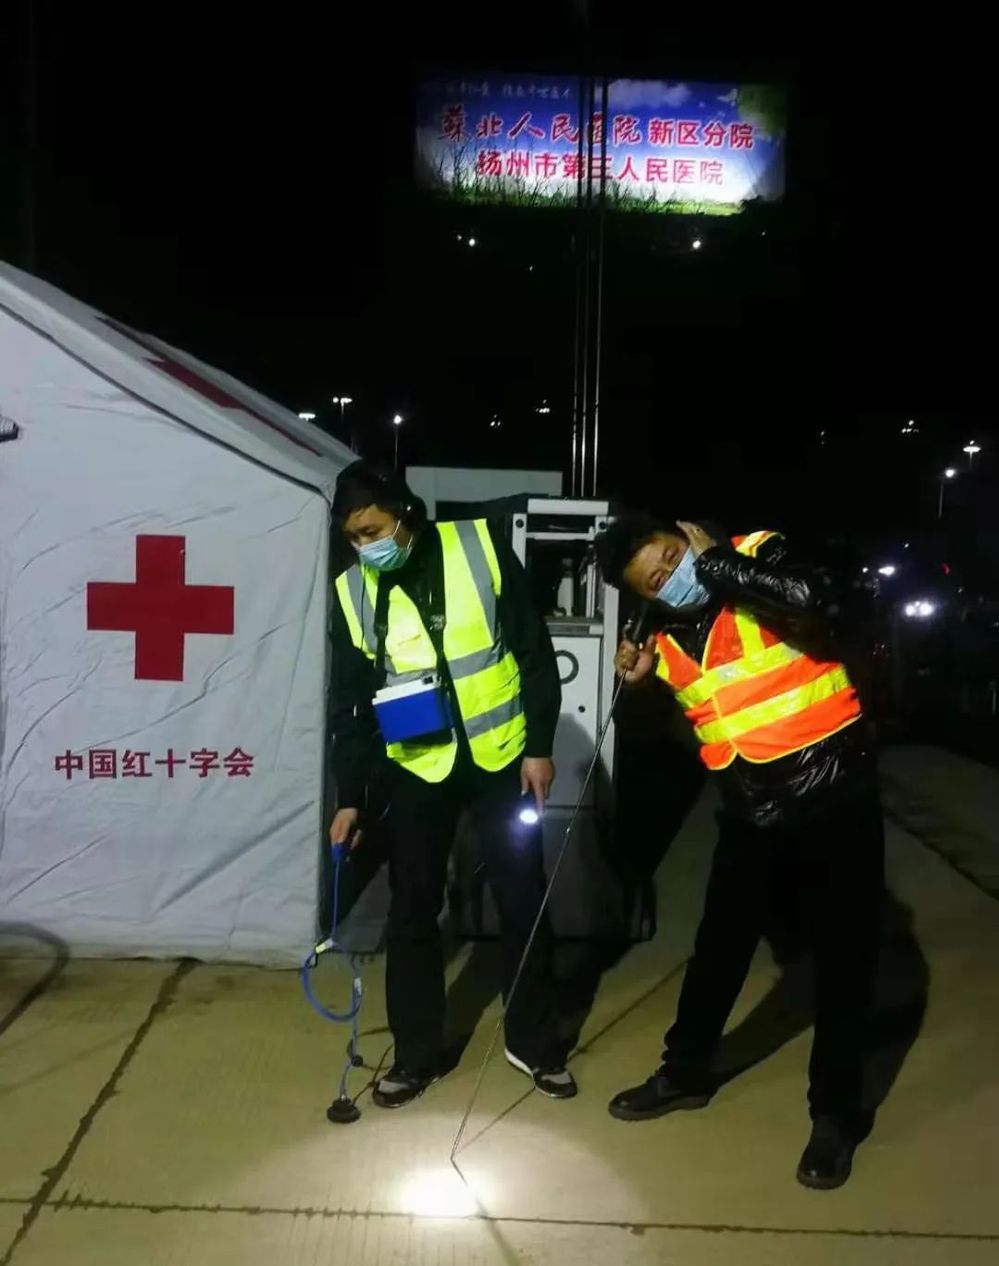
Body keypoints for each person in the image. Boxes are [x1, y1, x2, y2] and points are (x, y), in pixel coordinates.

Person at [595, 515, 885, 1190]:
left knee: (843, 960)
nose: (673, 578)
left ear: (690, 535)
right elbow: (687, 731)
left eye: (673, 557)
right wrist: (638, 689)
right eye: (655, 581)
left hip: (834, 795)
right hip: (750, 811)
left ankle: (835, 1117)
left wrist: (721, 565)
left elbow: (818, 600)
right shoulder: (664, 638)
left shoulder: (759, 558)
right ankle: (685, 1073)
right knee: (717, 950)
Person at [328, 461, 575, 1108]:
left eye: (372, 530)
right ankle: (416, 1055)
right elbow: (350, 703)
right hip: (417, 766)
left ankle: (535, 1043)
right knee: (412, 908)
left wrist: (539, 746)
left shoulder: (478, 547)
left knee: (521, 895)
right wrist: (350, 798)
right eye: (352, 537)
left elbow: (533, 650)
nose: (364, 546)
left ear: (404, 513)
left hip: (502, 757)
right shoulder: (352, 592)